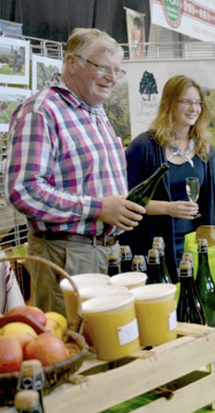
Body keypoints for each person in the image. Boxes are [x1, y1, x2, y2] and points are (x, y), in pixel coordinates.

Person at [5, 28, 145, 314]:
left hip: (102, 250)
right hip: (68, 254)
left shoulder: (94, 110)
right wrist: (98, 208)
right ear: (71, 62)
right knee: (75, 346)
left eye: (117, 70)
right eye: (103, 67)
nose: (112, 78)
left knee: (104, 347)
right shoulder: (42, 111)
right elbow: (23, 190)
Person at [121, 75, 215, 281]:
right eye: (186, 102)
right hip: (153, 247)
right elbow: (126, 201)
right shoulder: (144, 146)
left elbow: (214, 199)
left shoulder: (204, 148)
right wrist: (167, 208)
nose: (193, 108)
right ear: (169, 103)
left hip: (193, 246)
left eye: (197, 103)